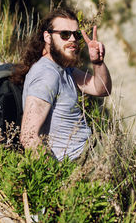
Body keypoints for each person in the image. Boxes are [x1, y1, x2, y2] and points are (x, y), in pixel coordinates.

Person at [12, 9, 112, 161]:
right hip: (78, 163)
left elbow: (102, 89)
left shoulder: (65, 69)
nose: (72, 39)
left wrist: (97, 62)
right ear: (48, 37)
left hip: (90, 153)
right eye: (65, 34)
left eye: (76, 35)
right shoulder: (47, 74)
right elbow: (28, 136)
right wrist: (56, 176)